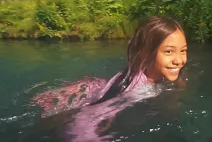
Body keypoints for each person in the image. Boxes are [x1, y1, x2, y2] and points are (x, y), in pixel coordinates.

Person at [31, 16, 188, 141]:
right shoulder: (139, 90)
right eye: (169, 51)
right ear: (145, 53)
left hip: (100, 86)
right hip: (92, 109)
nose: (179, 60)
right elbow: (90, 116)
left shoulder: (150, 69)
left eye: (183, 50)